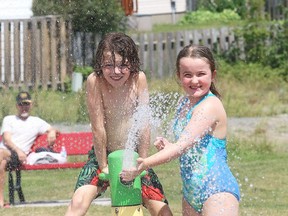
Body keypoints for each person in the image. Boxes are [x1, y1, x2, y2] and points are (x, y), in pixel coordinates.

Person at [121, 45, 240, 216]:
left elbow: (180, 147)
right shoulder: (184, 103)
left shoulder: (210, 105)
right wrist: (169, 145)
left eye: (201, 74)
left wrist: (145, 164)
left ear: (213, 75)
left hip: (216, 189)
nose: (194, 80)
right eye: (187, 75)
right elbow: (187, 143)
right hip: (191, 192)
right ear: (179, 76)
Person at [65, 32, 173, 216]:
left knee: (163, 213)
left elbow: (144, 124)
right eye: (109, 65)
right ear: (100, 64)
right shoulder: (95, 81)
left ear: (132, 63)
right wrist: (104, 165)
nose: (116, 72)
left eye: (123, 65)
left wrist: (143, 163)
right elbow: (98, 127)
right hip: (103, 155)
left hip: (135, 158)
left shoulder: (138, 79)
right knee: (77, 203)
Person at [0, 91, 57, 208]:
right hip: (9, 153)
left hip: (18, 157)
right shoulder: (9, 119)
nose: (23, 107)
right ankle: (1, 200)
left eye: (26, 104)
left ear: (31, 105)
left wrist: (52, 132)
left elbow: (51, 128)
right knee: (2, 164)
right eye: (21, 104)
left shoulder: (36, 122)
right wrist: (18, 150)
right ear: (17, 106)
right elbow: (6, 139)